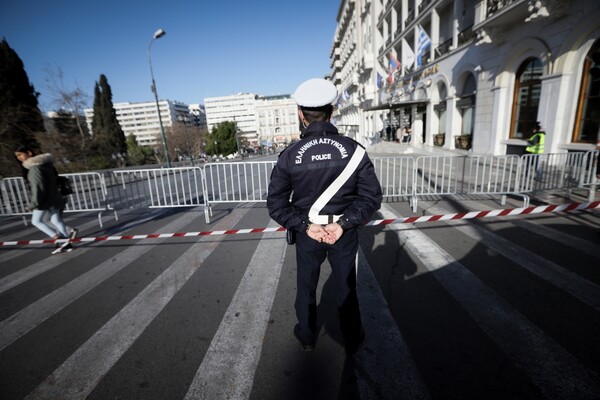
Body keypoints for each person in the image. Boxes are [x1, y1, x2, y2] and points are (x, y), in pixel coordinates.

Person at [267, 78, 382, 354]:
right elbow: (371, 198)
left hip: (309, 233)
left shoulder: (289, 156)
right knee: (346, 286)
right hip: (344, 233)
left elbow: (276, 204)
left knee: (306, 286)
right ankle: (352, 337)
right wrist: (343, 224)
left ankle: (307, 335)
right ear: (331, 112)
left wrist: (305, 225)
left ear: (300, 115)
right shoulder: (355, 151)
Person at [15, 146, 77, 253]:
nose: (19, 157)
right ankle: (66, 243)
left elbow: (38, 188)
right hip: (54, 197)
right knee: (55, 220)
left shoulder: (34, 169)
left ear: (29, 153)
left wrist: (32, 205)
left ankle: (56, 237)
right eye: (17, 156)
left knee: (36, 221)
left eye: (20, 154)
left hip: (43, 200)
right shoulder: (46, 165)